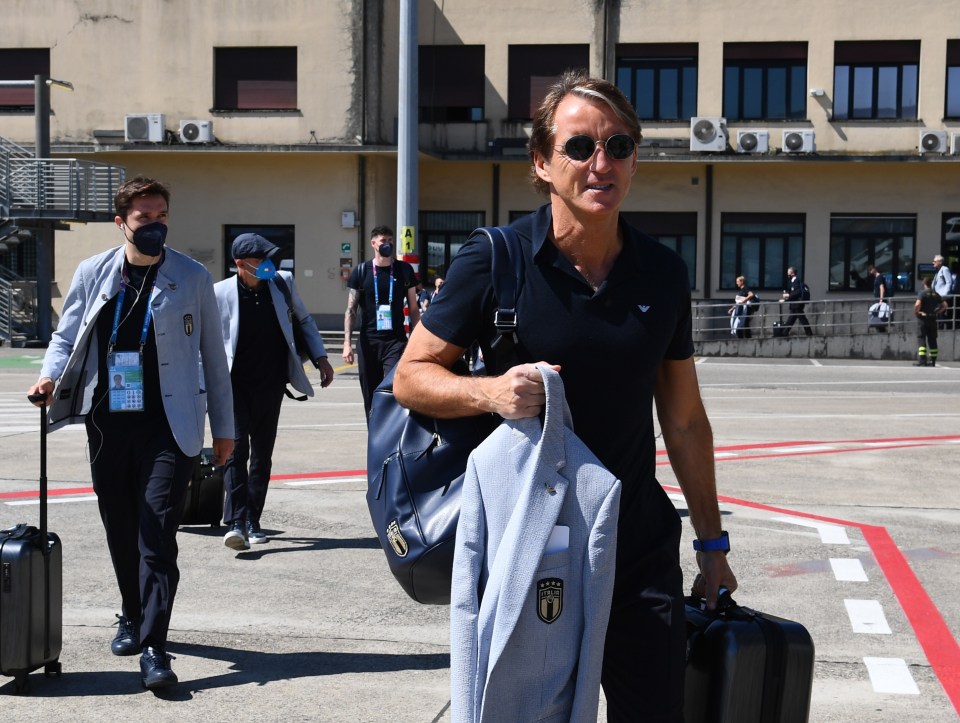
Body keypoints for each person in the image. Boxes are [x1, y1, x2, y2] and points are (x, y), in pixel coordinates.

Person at [392, 71, 736, 721]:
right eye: (579, 147)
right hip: (533, 550)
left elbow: (686, 422)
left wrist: (713, 549)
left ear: (635, 160)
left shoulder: (661, 273)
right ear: (543, 163)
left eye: (619, 145)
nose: (600, 163)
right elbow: (411, 375)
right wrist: (491, 391)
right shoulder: (496, 260)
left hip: (636, 550)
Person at [27, 176, 234, 690]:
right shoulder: (93, 272)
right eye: (145, 217)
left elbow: (214, 355)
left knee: (157, 532)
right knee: (120, 526)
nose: (156, 225)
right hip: (108, 422)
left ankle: (155, 646)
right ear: (122, 223)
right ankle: (130, 610)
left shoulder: (191, 276)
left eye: (162, 215)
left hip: (171, 425)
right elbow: (67, 333)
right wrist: (49, 375)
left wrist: (226, 428)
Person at [214, 233, 334, 551]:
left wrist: (321, 358)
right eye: (261, 260)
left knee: (262, 455)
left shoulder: (281, 283)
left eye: (270, 258)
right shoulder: (220, 293)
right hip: (234, 386)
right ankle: (236, 522)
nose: (269, 264)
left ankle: (253, 520)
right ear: (240, 264)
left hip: (271, 384)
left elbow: (304, 319)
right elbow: (208, 342)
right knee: (237, 451)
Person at [342, 225, 420, 420]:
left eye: (390, 241)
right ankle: (373, 436)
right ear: (373, 243)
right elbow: (351, 309)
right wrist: (346, 344)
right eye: (383, 241)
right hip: (368, 341)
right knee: (370, 394)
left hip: (395, 341)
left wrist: (418, 340)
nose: (387, 245)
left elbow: (413, 308)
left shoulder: (404, 270)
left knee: (393, 389)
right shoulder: (361, 271)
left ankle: (391, 437)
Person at [914, 276, 948, 366]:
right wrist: (938, 311)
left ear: (924, 284)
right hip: (933, 319)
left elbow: (917, 304)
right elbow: (945, 305)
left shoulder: (922, 293)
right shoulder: (935, 294)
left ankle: (922, 361)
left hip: (923, 318)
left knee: (921, 338)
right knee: (932, 339)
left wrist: (917, 312)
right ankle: (933, 361)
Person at [779, 266, 813, 336]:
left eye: (788, 272)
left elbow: (797, 292)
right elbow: (794, 293)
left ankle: (809, 334)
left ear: (792, 273)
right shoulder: (794, 281)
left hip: (797, 305)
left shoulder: (796, 280)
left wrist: (787, 296)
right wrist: (786, 299)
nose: (787, 274)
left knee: (802, 320)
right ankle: (784, 333)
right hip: (795, 305)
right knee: (791, 320)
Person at [932, 255, 954, 329]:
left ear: (940, 262)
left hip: (943, 297)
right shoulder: (937, 271)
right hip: (937, 297)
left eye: (935, 261)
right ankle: (940, 327)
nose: (933, 263)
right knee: (938, 314)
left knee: (941, 313)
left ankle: (944, 328)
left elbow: (949, 282)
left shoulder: (945, 269)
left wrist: (944, 294)